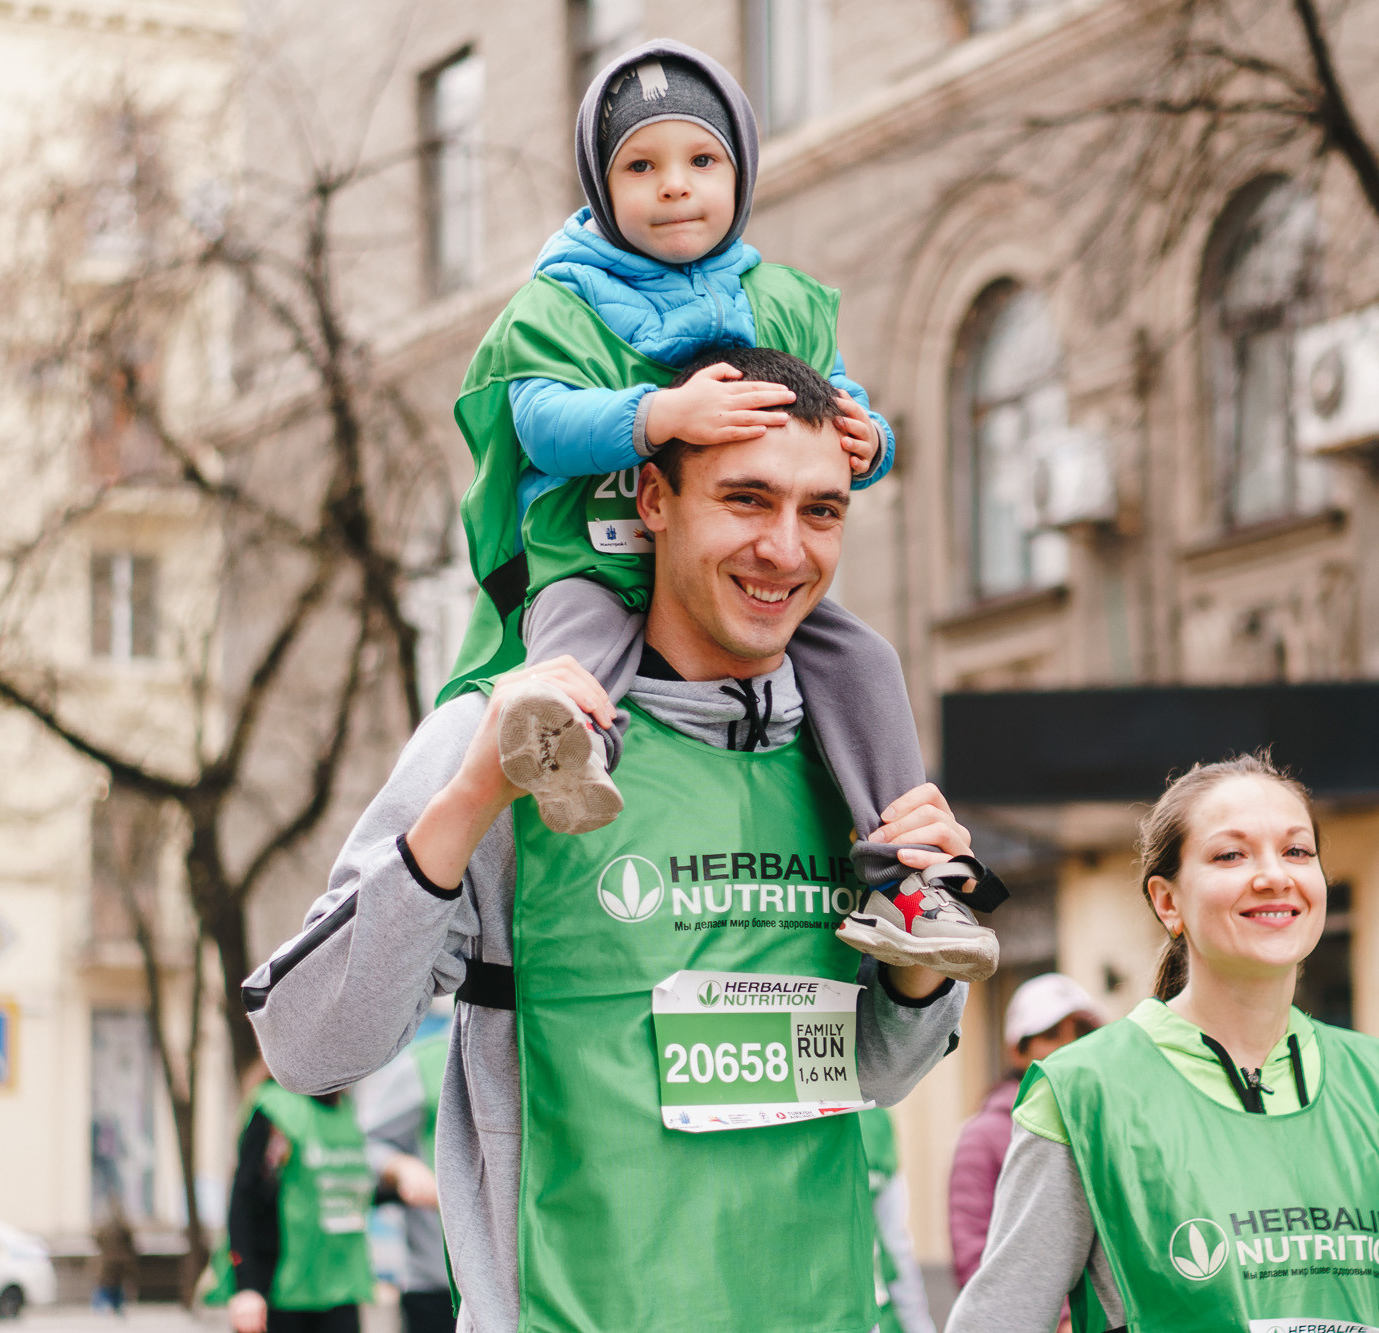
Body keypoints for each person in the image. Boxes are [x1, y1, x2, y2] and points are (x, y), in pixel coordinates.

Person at [244, 348, 990, 1333]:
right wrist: (472, 796)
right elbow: (308, 1045)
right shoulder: (512, 738)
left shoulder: (850, 755)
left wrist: (917, 960)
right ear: (653, 499)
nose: (784, 548)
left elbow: (876, 1072)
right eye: (745, 499)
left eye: (821, 511)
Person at [444, 38, 998, 982]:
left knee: (865, 657)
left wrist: (870, 440)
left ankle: (911, 876)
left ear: (740, 175)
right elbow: (537, 420)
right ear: (598, 184)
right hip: (596, 557)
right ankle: (567, 757)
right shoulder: (559, 301)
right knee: (570, 645)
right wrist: (657, 416)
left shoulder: (776, 301)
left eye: (702, 160)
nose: (675, 186)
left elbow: (836, 399)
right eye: (641, 166)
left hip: (723, 578)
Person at [947, 753, 1379, 1333]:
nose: (1274, 874)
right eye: (1230, 853)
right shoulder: (1083, 1093)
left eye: (1297, 850)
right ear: (1167, 900)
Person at [947, 973, 1100, 1289]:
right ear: (1017, 1051)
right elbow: (974, 1263)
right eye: (1052, 1034)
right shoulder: (982, 1137)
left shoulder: (1106, 1124)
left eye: (1083, 1032)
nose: (1071, 1045)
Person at [223, 1067, 376, 1333]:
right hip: (282, 1292)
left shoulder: (345, 1110)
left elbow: (348, 1189)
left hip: (340, 1289)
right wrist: (247, 1285)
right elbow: (245, 1200)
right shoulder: (276, 1110)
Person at [358, 1031, 451, 1333]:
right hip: (437, 1284)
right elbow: (366, 1146)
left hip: (532, 1287)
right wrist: (401, 1166)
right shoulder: (427, 1064)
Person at [858, 1109, 935, 1333]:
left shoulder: (874, 1118)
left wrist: (918, 1324)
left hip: (879, 1308)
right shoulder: (874, 1118)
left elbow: (895, 1241)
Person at [92, 1200, 137, 1315]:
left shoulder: (104, 1228)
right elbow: (130, 1243)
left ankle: (103, 1305)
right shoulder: (123, 1227)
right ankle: (114, 1305)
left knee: (106, 1283)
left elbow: (97, 1240)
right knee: (115, 1284)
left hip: (107, 1260)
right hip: (120, 1260)